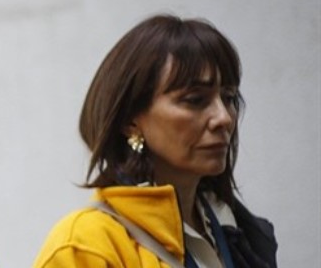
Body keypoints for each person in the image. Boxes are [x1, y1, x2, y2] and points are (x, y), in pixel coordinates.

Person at [33, 15, 277, 268]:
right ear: (130, 120)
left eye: (229, 98)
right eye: (195, 100)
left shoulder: (238, 232)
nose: (223, 118)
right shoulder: (86, 244)